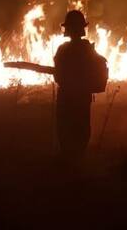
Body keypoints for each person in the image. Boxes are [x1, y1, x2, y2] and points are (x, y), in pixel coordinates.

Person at [53, 10, 96, 161]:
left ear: (68, 29)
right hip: (83, 95)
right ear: (82, 28)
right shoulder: (88, 49)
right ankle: (79, 156)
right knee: (82, 125)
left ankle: (68, 156)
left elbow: (57, 75)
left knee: (65, 125)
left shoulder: (62, 49)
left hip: (66, 95)